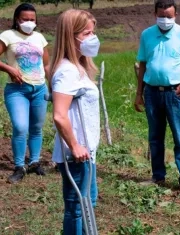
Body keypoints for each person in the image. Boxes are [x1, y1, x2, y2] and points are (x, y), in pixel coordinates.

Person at [134, 0, 180, 197]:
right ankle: (158, 176)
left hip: (176, 94)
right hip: (152, 92)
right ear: (154, 14)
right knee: (155, 138)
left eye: (169, 16)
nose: (165, 20)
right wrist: (139, 93)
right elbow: (142, 63)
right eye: (161, 16)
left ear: (176, 15)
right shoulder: (147, 34)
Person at [49, 9, 100, 234]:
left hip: (86, 151)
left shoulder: (78, 67)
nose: (93, 38)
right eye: (87, 33)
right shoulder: (67, 71)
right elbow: (59, 115)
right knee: (77, 208)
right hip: (76, 154)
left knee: (89, 202)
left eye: (93, 32)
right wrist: (75, 146)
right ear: (72, 36)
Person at [0, 3, 49, 184]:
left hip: (39, 89)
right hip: (17, 90)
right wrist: (9, 69)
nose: (29, 22)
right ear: (16, 20)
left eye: (32, 19)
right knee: (21, 127)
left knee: (36, 128)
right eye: (25, 19)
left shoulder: (39, 38)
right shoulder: (8, 36)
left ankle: (35, 162)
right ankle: (19, 166)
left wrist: (54, 86)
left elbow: (46, 65)